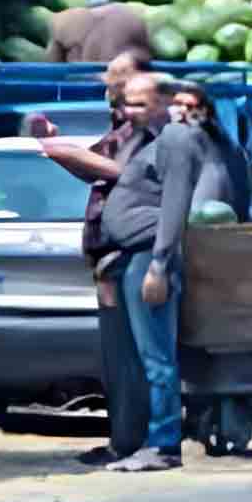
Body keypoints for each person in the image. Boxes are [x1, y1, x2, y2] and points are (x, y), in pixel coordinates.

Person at [96, 72, 237, 473]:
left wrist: (158, 263)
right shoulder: (162, 142)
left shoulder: (176, 140)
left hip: (149, 258)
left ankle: (163, 445)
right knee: (145, 356)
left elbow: (176, 202)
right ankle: (148, 441)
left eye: (143, 103)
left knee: (155, 356)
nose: (131, 111)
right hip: (137, 255)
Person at [34, 46, 156, 466]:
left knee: (132, 355)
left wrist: (66, 150)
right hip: (111, 258)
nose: (110, 83)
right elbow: (96, 167)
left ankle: (134, 441)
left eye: (119, 76)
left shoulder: (151, 130)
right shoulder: (120, 128)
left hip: (131, 254)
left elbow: (127, 173)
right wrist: (57, 147)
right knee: (117, 355)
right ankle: (122, 438)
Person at [169, 82, 252, 220]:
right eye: (177, 105)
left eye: (189, 107)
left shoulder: (196, 142)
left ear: (203, 111)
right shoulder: (227, 143)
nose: (181, 110)